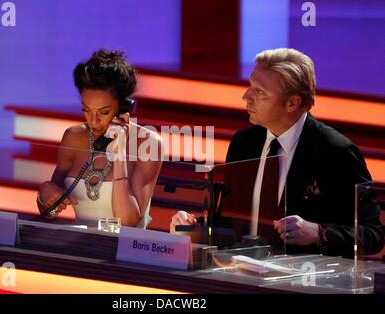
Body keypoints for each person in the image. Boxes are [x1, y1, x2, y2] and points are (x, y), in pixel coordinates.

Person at [171, 48, 383, 257]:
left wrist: (320, 233)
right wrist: (195, 230)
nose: (246, 96)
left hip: (302, 283)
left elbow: (373, 235)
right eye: (250, 86)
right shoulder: (243, 143)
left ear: (292, 102)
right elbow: (231, 224)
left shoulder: (337, 152)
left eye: (260, 92)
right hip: (238, 276)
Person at [37, 49, 163, 228]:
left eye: (103, 112)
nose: (93, 121)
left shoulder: (148, 143)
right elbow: (48, 213)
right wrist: (44, 192)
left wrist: (119, 153)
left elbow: (127, 223)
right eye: (86, 110)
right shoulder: (73, 137)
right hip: (81, 247)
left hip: (126, 252)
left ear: (123, 108)